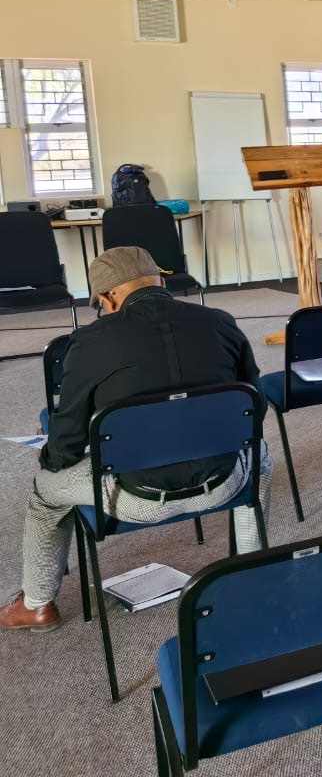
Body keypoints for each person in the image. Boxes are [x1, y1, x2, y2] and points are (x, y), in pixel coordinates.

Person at [0, 246, 272, 631]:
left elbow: (69, 438)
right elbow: (254, 409)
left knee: (45, 494)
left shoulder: (90, 342)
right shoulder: (221, 322)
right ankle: (252, 573)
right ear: (159, 280)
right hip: (225, 482)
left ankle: (38, 605)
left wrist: (51, 462)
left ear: (109, 297)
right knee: (258, 454)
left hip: (135, 498)